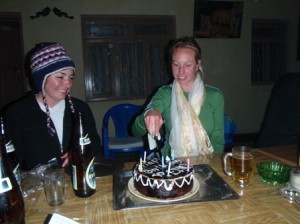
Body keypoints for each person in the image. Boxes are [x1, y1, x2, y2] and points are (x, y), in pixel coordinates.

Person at [4, 42, 101, 171]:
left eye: (71, 77)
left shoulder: (80, 109)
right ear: (41, 79)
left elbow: (95, 146)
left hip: (76, 178)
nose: (68, 84)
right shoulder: (16, 114)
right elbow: (11, 162)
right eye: (60, 77)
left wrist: (79, 154)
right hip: (36, 187)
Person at [132, 36, 224, 157]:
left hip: (206, 163)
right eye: (176, 65)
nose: (181, 71)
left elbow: (217, 141)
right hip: (172, 165)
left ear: (197, 65)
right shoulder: (165, 93)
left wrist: (213, 167)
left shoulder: (215, 96)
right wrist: (149, 113)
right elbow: (135, 131)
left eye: (188, 65)